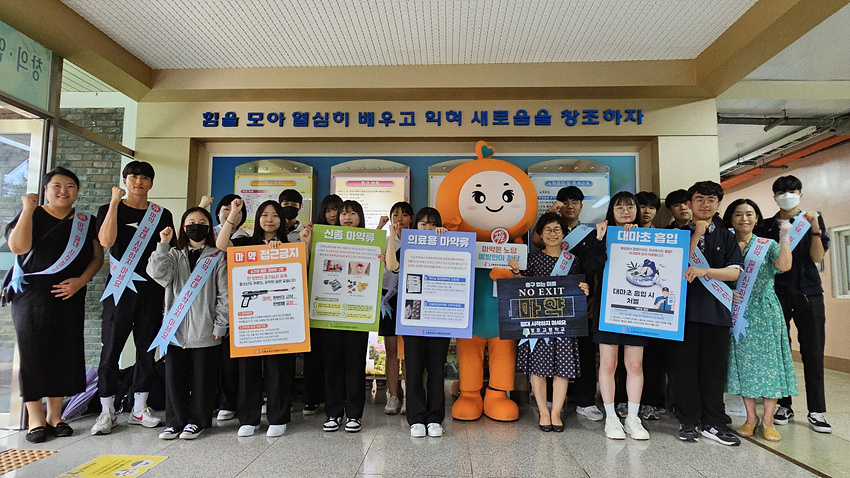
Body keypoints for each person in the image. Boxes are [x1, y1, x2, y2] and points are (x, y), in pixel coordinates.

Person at [5, 167, 104, 443]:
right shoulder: (32, 214)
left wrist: (80, 282)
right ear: (46, 189)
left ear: (77, 192)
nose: (63, 191)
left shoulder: (85, 221)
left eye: (70, 186)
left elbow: (97, 257)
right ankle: (35, 418)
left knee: (63, 351)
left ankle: (55, 416)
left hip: (69, 295)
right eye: (57, 185)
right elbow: (18, 247)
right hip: (31, 295)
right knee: (33, 353)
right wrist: (28, 209)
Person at [92, 161, 174, 436]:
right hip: (119, 290)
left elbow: (168, 251)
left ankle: (140, 407)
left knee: (147, 349)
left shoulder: (161, 214)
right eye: (133, 176)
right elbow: (106, 241)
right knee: (110, 350)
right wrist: (115, 204)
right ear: (125, 180)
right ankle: (107, 410)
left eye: (144, 178)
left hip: (151, 291)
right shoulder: (107, 209)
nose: (138, 181)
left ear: (151, 183)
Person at [509, 212, 600, 433]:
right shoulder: (532, 259)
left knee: (563, 370)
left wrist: (584, 289)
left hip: (564, 325)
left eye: (557, 229)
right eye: (547, 230)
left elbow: (578, 288)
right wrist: (516, 272)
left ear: (564, 233)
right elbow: (520, 288)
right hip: (537, 325)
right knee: (538, 370)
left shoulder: (573, 261)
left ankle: (556, 413)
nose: (552, 234)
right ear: (540, 234)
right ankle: (543, 412)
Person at [668, 181, 744, 445]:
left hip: (716, 313)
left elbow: (734, 272)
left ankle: (713, 422)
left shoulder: (727, 236)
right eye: (699, 199)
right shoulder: (676, 234)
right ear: (689, 204)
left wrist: (705, 272)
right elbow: (672, 266)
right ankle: (688, 421)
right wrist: (696, 235)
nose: (705, 204)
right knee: (684, 369)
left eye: (711, 199)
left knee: (714, 371)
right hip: (682, 314)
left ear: (718, 204)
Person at [754, 175, 831, 433]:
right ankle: (784, 405)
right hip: (776, 294)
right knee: (780, 351)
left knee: (813, 350)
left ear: (800, 194)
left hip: (809, 293)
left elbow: (816, 257)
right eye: (782, 191)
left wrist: (815, 227)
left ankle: (817, 410)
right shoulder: (765, 226)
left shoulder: (811, 221)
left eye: (792, 190)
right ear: (774, 196)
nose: (787, 195)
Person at [147, 207, 229, 440]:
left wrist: (220, 324)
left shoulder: (217, 256)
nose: (196, 226)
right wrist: (162, 245)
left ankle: (198, 421)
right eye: (191, 222)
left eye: (202, 222)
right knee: (174, 378)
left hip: (206, 327)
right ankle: (175, 422)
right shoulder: (174, 254)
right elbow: (157, 274)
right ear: (183, 227)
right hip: (175, 329)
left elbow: (225, 294)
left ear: (209, 227)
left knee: (203, 379)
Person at [217, 199, 294, 437]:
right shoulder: (245, 243)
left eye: (275, 215)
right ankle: (248, 419)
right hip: (250, 319)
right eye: (264, 215)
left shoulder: (289, 246)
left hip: (279, 318)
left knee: (278, 368)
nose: (269, 220)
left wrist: (282, 251)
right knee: (247, 368)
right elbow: (221, 244)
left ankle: (278, 418)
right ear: (258, 218)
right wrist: (234, 214)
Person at [723, 199, 797, 442]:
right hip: (737, 311)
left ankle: (768, 421)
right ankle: (750, 418)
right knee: (745, 365)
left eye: (749, 214)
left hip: (765, 311)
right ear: (730, 219)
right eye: (738, 214)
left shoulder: (767, 244)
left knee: (769, 365)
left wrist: (784, 238)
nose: (744, 219)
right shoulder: (726, 244)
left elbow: (784, 266)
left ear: (757, 218)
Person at [301, 200, 371, 433]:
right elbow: (308, 266)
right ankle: (333, 413)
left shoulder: (370, 241)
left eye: (352, 213)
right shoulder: (324, 239)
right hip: (329, 313)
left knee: (355, 365)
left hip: (357, 315)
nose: (347, 217)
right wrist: (307, 241)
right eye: (343, 214)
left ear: (360, 217)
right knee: (332, 364)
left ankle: (354, 414)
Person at [385, 207, 450, 437]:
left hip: (440, 315)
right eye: (423, 224)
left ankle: (435, 418)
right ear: (416, 226)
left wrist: (446, 237)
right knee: (413, 367)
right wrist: (392, 236)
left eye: (432, 224)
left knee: (436, 369)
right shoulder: (409, 246)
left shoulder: (446, 244)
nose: (428, 228)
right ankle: (416, 418)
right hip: (413, 313)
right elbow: (391, 265)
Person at [593, 191, 650, 440]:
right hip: (609, 307)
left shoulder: (649, 237)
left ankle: (633, 418)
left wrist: (637, 240)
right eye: (620, 208)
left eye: (630, 207)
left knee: (635, 364)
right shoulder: (602, 234)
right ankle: (611, 417)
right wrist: (600, 239)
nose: (625, 212)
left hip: (637, 310)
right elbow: (592, 267)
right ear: (612, 211)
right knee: (608, 363)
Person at [199, 194, 246, 422]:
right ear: (217, 212)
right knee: (208, 356)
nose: (231, 213)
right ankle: (212, 401)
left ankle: (229, 401)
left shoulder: (245, 238)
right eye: (226, 209)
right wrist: (201, 207)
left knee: (230, 357)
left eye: (236, 210)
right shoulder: (207, 234)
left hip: (235, 301)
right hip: (205, 299)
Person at [300, 194, 343, 416]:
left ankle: (336, 397)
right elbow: (304, 263)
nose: (332, 214)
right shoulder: (314, 232)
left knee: (336, 354)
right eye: (328, 210)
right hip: (316, 298)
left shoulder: (350, 234)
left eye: (336, 209)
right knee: (315, 352)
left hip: (342, 303)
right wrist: (307, 241)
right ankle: (312, 397)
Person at [376, 201, 413, 415]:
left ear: (411, 219)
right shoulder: (386, 239)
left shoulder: (417, 240)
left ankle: (409, 396)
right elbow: (365, 250)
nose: (399, 218)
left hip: (410, 299)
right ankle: (393, 396)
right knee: (391, 351)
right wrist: (381, 229)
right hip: (387, 299)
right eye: (395, 214)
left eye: (404, 214)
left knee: (408, 352)